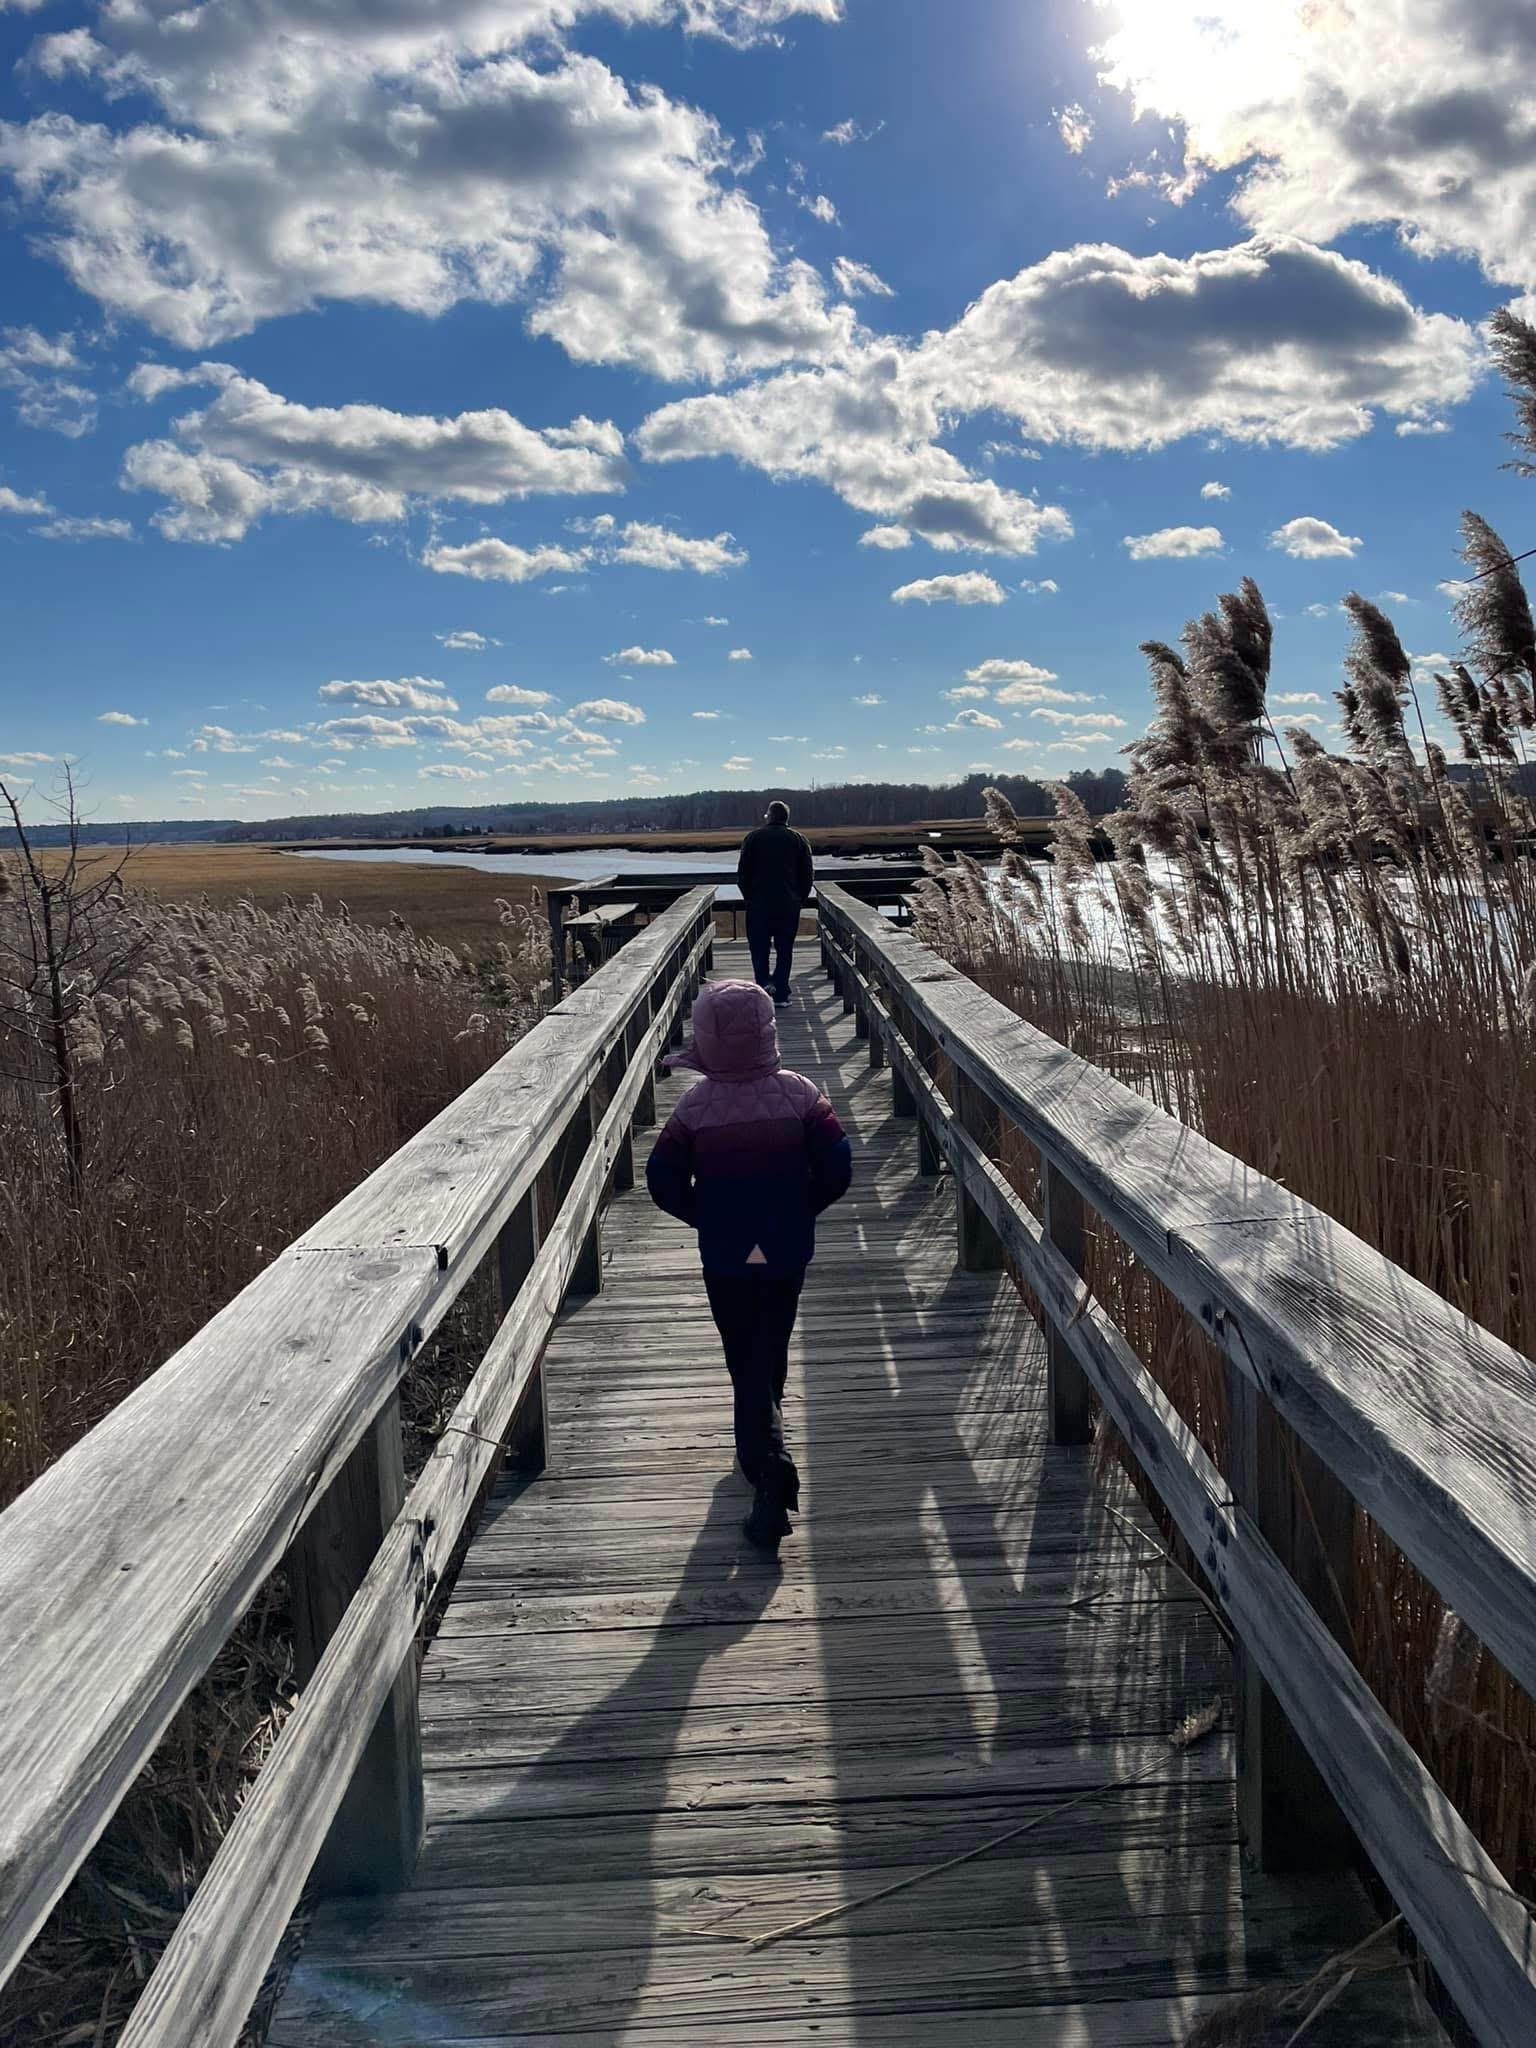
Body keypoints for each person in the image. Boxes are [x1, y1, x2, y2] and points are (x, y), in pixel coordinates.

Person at [646, 979, 852, 1553]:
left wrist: (706, 1217)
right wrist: (799, 1209)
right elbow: (838, 1167)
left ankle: (767, 1468)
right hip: (783, 1249)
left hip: (727, 1254)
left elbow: (660, 1181)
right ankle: (767, 1443)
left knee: (744, 1352)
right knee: (772, 1343)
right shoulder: (801, 1095)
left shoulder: (694, 1106)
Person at [736, 799, 814, 1007]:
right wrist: (799, 898)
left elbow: (742, 874)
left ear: (769, 816)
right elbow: (807, 875)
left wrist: (749, 897)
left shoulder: (752, 838)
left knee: (759, 949)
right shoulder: (798, 839)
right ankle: (780, 993)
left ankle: (762, 989)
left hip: (758, 904)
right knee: (784, 949)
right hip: (788, 904)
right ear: (786, 818)